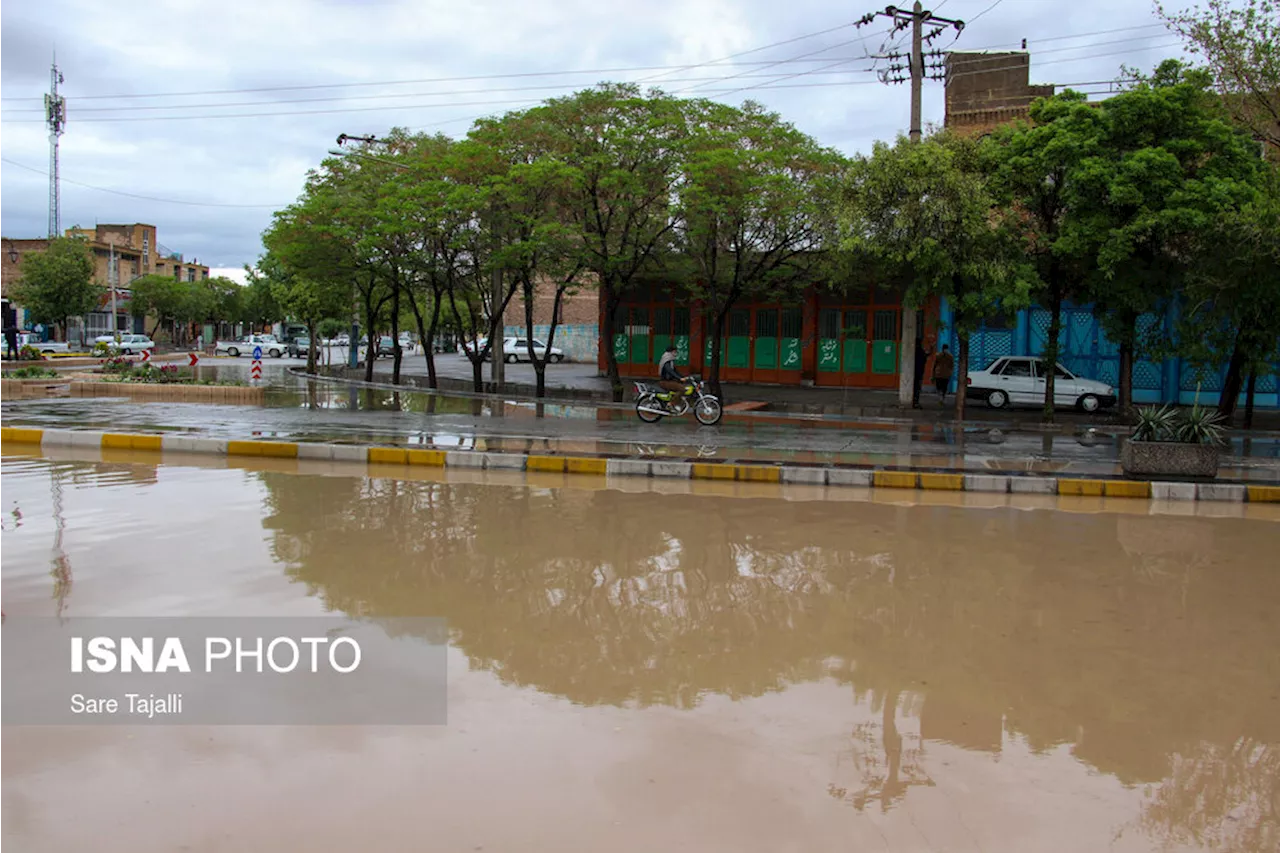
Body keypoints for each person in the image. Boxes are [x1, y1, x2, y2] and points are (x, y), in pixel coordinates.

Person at [657, 345, 687, 411]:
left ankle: (676, 403)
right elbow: (670, 371)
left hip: (668, 381)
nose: (676, 353)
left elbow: (675, 371)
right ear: (671, 352)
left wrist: (683, 377)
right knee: (682, 389)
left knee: (680, 387)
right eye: (675, 352)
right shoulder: (666, 360)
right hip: (665, 382)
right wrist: (679, 378)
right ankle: (671, 404)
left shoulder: (670, 361)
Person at [911, 338, 928, 408]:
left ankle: (914, 401)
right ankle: (916, 401)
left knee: (914, 387)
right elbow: (925, 359)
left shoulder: (913, 351)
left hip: (913, 372)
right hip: (919, 372)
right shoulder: (921, 351)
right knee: (917, 387)